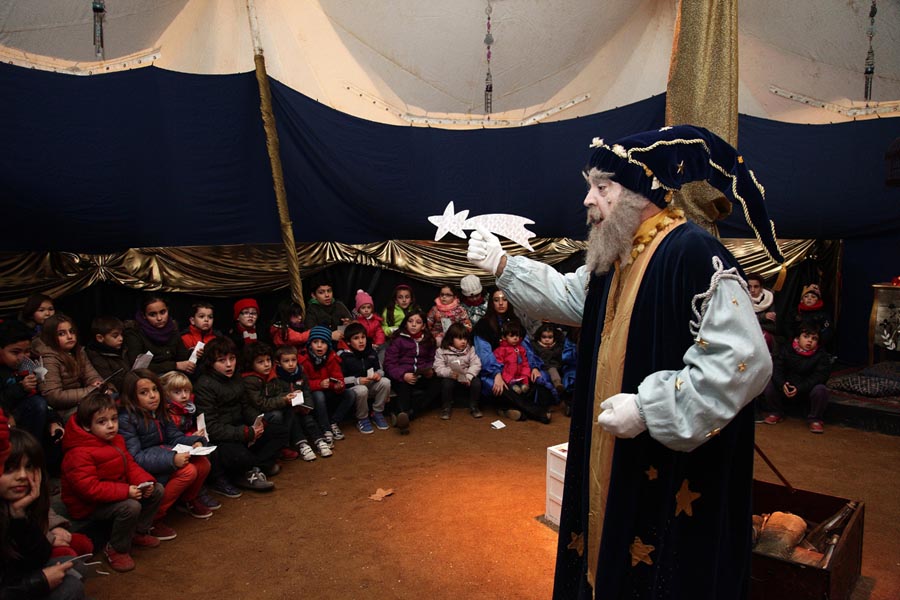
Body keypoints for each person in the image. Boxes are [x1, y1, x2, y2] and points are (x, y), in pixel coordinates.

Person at [468, 125, 778, 598]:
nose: (588, 200)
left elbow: (744, 360)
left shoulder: (692, 252)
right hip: (615, 452)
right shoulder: (618, 256)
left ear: (639, 192)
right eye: (590, 186)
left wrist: (652, 407)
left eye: (602, 187)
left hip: (668, 462)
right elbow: (571, 297)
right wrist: (505, 266)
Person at [61, 389, 164, 573]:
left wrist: (145, 482)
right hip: (88, 506)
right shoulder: (78, 453)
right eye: (102, 422)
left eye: (114, 419)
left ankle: (138, 532)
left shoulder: (116, 440)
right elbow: (89, 489)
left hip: (114, 492)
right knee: (131, 506)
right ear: (87, 425)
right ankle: (117, 548)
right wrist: (126, 491)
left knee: (157, 490)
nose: (111, 426)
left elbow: (129, 465)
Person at [118, 369, 212, 535]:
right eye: (144, 392)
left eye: (155, 389)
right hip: (146, 469)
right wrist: (171, 459)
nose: (152, 396)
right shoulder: (127, 420)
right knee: (188, 471)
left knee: (203, 464)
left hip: (164, 455)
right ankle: (153, 518)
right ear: (132, 396)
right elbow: (135, 457)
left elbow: (173, 436)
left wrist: (194, 442)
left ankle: (187, 500)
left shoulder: (160, 411)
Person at [0, 428, 87, 599]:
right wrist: (40, 581)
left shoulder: (18, 505)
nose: (23, 476)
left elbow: (40, 557)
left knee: (75, 567)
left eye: (29, 467)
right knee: (70, 587)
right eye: (9, 468)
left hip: (13, 578)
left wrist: (19, 516)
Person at [193, 337, 286, 495]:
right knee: (240, 456)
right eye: (222, 361)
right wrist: (245, 433)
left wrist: (257, 423)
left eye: (232, 358)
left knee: (279, 431)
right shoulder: (204, 385)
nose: (229, 364)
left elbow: (245, 406)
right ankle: (248, 471)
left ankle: (254, 467)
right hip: (223, 438)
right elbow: (211, 427)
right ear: (211, 363)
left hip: (242, 428)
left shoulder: (236, 377)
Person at [473, 290, 554, 423]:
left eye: (504, 299)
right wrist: (496, 374)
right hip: (495, 370)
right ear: (491, 303)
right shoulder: (483, 325)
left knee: (540, 378)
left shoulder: (516, 321)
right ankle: (537, 412)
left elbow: (526, 348)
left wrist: (533, 367)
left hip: (519, 368)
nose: (501, 303)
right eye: (496, 300)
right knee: (499, 386)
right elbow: (484, 354)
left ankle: (506, 410)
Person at [158, 371, 221, 511]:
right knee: (192, 468)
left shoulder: (188, 408)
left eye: (186, 391)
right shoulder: (167, 413)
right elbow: (170, 436)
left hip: (186, 443)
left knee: (205, 461)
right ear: (166, 393)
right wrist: (192, 437)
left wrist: (195, 435)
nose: (184, 395)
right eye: (177, 392)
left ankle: (191, 497)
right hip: (172, 449)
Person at [762, 322, 831, 433]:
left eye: (814, 338)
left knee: (821, 390)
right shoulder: (786, 349)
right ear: (798, 338)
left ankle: (815, 419)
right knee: (768, 384)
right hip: (785, 388)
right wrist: (782, 384)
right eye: (806, 336)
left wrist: (799, 388)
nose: (810, 341)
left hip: (806, 391)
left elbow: (819, 377)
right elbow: (776, 369)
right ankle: (776, 412)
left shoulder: (821, 356)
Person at [33, 315, 103, 422]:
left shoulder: (78, 351)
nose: (70, 337)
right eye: (62, 334)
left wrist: (99, 384)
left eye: (71, 331)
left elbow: (91, 375)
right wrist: (91, 391)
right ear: (50, 337)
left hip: (83, 401)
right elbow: (53, 396)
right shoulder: (47, 359)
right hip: (63, 411)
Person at [382, 310, 441, 434]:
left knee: (438, 383)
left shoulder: (428, 340)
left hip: (420, 374)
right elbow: (389, 364)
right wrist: (403, 375)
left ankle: (407, 415)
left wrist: (429, 370)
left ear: (423, 326)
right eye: (410, 321)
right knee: (404, 387)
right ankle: (403, 419)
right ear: (405, 323)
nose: (413, 325)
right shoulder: (398, 340)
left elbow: (432, 359)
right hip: (401, 376)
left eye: (418, 322)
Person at [240, 342, 301, 461]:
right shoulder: (250, 380)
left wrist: (289, 396)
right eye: (260, 362)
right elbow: (261, 403)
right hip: (256, 415)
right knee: (276, 415)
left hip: (270, 408)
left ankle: (284, 445)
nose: (267, 364)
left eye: (268, 360)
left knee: (290, 409)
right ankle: (276, 449)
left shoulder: (271, 375)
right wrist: (283, 400)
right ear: (251, 364)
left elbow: (277, 393)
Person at [0, 320, 57, 443]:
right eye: (15, 352)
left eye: (27, 351)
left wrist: (53, 421)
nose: (22, 357)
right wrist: (21, 388)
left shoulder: (26, 367)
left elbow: (40, 396)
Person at [300, 326, 359, 444]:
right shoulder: (304, 360)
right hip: (312, 394)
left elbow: (339, 378)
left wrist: (338, 386)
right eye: (315, 342)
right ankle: (325, 429)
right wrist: (319, 384)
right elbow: (302, 384)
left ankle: (333, 423)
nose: (319, 346)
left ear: (328, 345)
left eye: (323, 342)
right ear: (310, 344)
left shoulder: (332, 357)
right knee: (319, 395)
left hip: (329, 390)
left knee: (350, 394)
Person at [274, 345, 332, 460]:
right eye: (286, 361)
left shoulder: (301, 374)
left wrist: (308, 406)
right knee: (294, 422)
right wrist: (286, 399)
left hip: (302, 407)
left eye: (293, 360)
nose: (291, 364)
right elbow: (276, 395)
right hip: (288, 410)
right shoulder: (276, 378)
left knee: (309, 420)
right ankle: (303, 445)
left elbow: (307, 392)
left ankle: (319, 441)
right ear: (279, 363)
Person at [338, 322, 391, 433]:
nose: (361, 341)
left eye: (363, 337)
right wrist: (357, 381)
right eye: (356, 338)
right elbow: (339, 380)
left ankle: (377, 412)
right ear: (348, 342)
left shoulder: (371, 351)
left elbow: (380, 369)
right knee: (362, 389)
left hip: (369, 383)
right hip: (352, 388)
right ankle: (362, 418)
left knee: (385, 382)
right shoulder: (343, 356)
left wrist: (378, 374)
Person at [123, 294, 194, 376]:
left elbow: (182, 358)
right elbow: (138, 367)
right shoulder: (134, 333)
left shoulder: (172, 329)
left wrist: (193, 353)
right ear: (144, 315)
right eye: (152, 315)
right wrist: (174, 365)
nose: (159, 318)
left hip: (174, 375)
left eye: (163, 312)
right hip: (148, 377)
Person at [433, 322, 482, 419]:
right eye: (459, 339)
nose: (463, 341)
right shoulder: (441, 351)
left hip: (466, 376)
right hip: (451, 376)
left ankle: (474, 406)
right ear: (451, 339)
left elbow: (476, 364)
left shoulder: (470, 349)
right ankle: (446, 407)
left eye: (465, 339)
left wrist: (469, 376)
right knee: (446, 383)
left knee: (476, 382)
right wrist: (449, 373)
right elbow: (438, 367)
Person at [84, 315, 128, 394]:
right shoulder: (95, 356)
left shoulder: (122, 348)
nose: (121, 338)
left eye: (121, 334)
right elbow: (109, 382)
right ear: (100, 338)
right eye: (115, 336)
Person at [493, 320, 533, 395]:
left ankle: (524, 386)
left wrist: (525, 376)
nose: (515, 338)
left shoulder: (521, 349)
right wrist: (508, 379)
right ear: (504, 337)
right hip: (508, 379)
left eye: (517, 336)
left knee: (526, 389)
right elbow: (500, 366)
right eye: (512, 336)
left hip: (521, 377)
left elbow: (525, 363)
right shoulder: (500, 350)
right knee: (514, 391)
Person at [790, 284, 833, 350]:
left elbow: (827, 331)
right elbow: (788, 327)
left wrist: (818, 341)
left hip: (816, 346)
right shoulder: (795, 313)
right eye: (806, 296)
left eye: (813, 297)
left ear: (818, 300)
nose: (809, 298)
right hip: (795, 344)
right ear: (802, 300)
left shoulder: (823, 315)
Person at [745, 272, 777, 351]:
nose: (752, 290)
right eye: (749, 287)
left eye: (756, 287)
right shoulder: (741, 299)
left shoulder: (768, 299)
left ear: (761, 287)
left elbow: (772, 327)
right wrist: (763, 317)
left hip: (763, 336)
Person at [533, 323, 567, 395]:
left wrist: (550, 348)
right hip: (540, 367)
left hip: (554, 367)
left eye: (550, 337)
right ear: (539, 337)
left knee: (552, 369)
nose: (547, 339)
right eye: (544, 337)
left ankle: (558, 385)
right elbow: (539, 358)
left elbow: (556, 357)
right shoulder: (535, 345)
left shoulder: (558, 346)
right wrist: (544, 348)